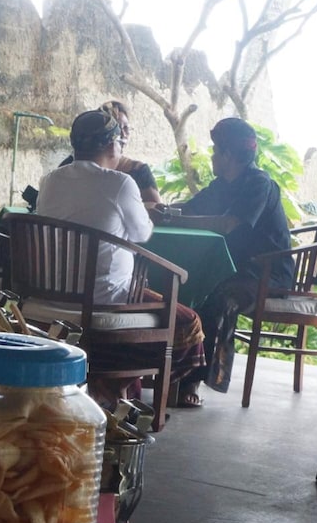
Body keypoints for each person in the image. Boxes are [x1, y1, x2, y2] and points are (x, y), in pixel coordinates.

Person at [38, 109, 206, 407]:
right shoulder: (120, 183)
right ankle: (111, 386)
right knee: (188, 323)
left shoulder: (50, 180)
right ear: (111, 144)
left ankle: (105, 387)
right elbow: (142, 233)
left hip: (49, 295)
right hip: (105, 299)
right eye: (120, 142)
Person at [157, 117, 293, 401]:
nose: (212, 156)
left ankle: (192, 382)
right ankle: (166, 371)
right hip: (232, 269)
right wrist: (162, 211)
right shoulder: (222, 184)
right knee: (182, 285)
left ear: (228, 155)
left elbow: (228, 224)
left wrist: (174, 219)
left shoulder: (259, 183)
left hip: (265, 274)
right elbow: (191, 209)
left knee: (219, 297)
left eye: (215, 151)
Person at [59, 100, 163, 205]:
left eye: (126, 128)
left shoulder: (138, 171)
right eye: (116, 129)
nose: (122, 134)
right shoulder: (68, 168)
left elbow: (157, 207)